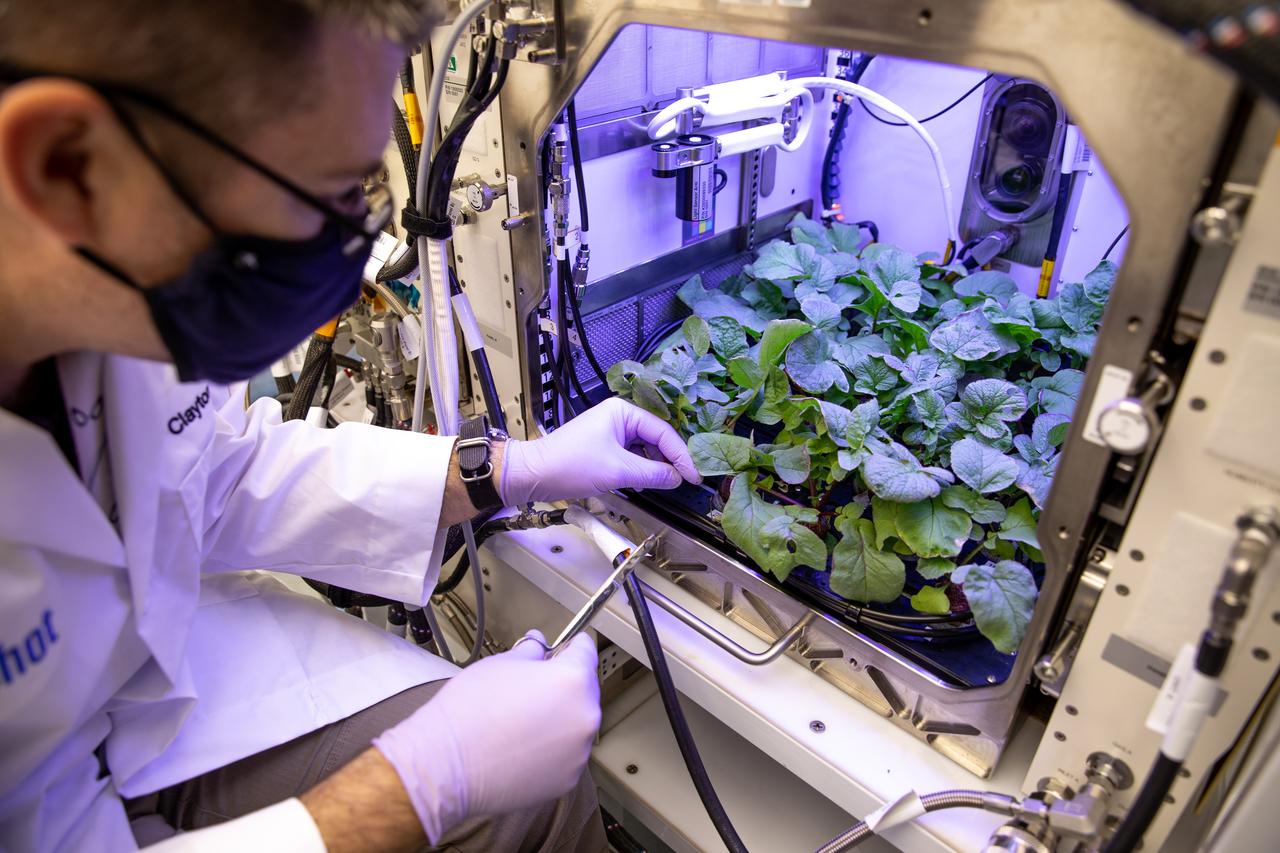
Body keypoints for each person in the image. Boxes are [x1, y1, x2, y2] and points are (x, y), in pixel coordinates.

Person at [0, 1, 700, 851]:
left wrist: (505, 471)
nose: (343, 263)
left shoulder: (99, 297)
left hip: (149, 696)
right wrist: (417, 786)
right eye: (322, 196)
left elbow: (214, 467)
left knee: (534, 802)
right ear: (66, 165)